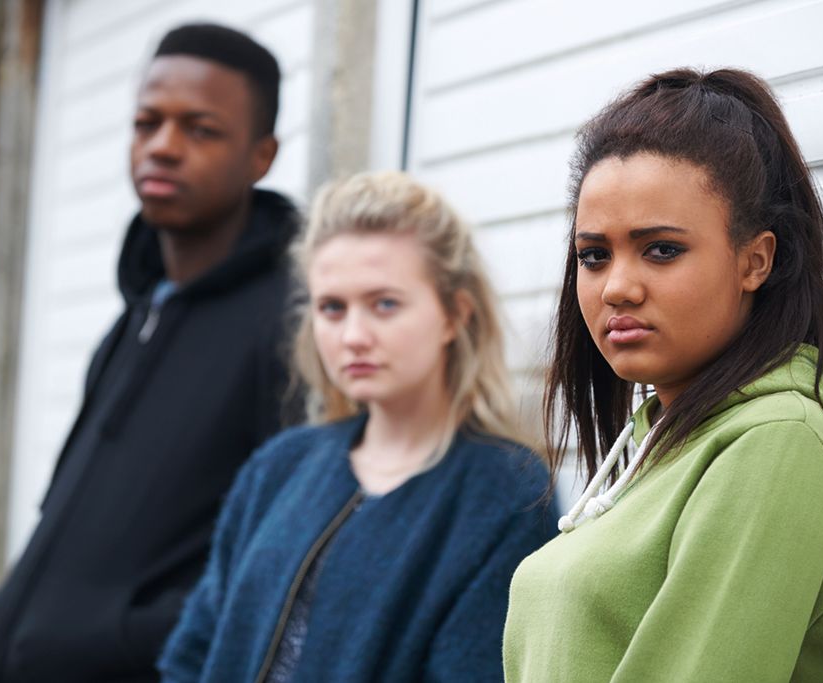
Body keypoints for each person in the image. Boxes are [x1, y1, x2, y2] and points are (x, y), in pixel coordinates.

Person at [503, 68, 823, 682]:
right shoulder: (667, 437)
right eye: (594, 255)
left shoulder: (779, 444)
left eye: (661, 249)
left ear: (755, 260)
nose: (617, 287)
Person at [0, 24, 303, 683]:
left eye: (200, 129)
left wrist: (109, 642)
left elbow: (276, 566)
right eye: (148, 122)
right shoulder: (134, 318)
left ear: (261, 156)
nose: (163, 147)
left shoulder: (291, 322)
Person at [157, 171, 557, 683]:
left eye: (384, 304)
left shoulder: (509, 497)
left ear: (454, 314)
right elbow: (192, 653)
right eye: (332, 308)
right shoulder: (280, 468)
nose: (353, 336)